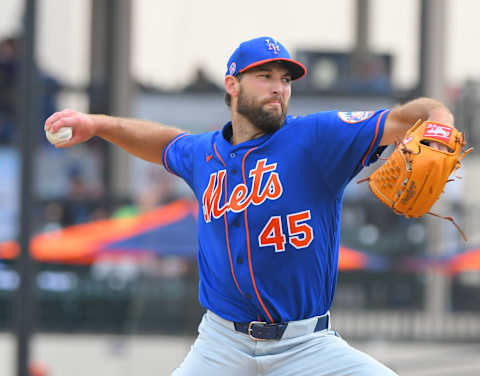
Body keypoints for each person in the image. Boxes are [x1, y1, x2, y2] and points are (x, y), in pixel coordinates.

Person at [44, 36, 454, 375]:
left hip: (305, 346)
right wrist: (96, 124)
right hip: (221, 345)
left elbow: (410, 115)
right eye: (264, 76)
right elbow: (164, 142)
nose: (279, 87)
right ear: (232, 84)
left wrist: (439, 123)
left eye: (286, 79)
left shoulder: (317, 138)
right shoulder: (204, 154)